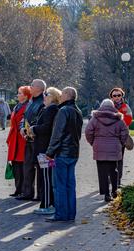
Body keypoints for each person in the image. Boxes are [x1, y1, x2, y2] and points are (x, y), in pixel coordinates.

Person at [45, 87, 83, 222]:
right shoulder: (78, 111)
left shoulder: (63, 111)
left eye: (62, 93)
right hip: (73, 152)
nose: (60, 96)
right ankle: (70, 214)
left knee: (59, 185)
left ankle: (61, 214)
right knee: (70, 185)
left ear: (67, 95)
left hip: (62, 153)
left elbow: (57, 134)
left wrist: (50, 152)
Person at [85, 99, 129, 202]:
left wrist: (93, 142)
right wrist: (120, 143)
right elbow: (125, 132)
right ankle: (114, 190)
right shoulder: (118, 118)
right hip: (114, 147)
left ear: (101, 105)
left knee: (102, 171)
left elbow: (88, 131)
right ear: (112, 106)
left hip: (99, 147)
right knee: (114, 169)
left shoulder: (95, 118)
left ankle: (106, 194)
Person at [29, 87, 61, 215]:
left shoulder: (51, 109)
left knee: (46, 177)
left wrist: (33, 129)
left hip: (45, 150)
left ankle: (47, 204)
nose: (44, 96)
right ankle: (47, 203)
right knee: (46, 176)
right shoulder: (47, 109)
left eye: (46, 94)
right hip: (45, 149)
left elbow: (46, 128)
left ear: (52, 97)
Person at [17, 79, 46, 201]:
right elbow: (24, 117)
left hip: (40, 141)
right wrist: (22, 128)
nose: (30, 87)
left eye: (32, 85)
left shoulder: (44, 103)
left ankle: (41, 194)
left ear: (39, 88)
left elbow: (42, 121)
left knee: (41, 168)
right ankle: (27, 192)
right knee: (27, 166)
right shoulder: (30, 102)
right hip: (28, 139)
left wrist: (31, 130)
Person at [7, 86, 32, 197]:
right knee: (16, 165)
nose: (17, 95)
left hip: (22, 139)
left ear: (26, 96)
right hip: (14, 138)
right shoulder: (17, 106)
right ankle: (18, 189)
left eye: (20, 93)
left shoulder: (27, 107)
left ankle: (23, 189)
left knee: (22, 165)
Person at [109, 88, 133, 187]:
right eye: (114, 95)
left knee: (120, 159)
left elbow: (129, 120)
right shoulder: (107, 106)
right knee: (109, 159)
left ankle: (118, 180)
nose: (117, 97)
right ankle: (109, 179)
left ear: (122, 96)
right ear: (111, 97)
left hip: (121, 137)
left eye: (119, 95)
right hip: (110, 137)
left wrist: (117, 122)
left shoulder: (126, 107)